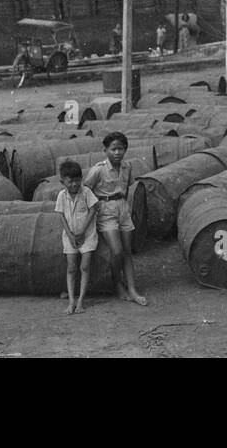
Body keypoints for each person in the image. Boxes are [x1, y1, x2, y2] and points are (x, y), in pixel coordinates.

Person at [83, 132, 148, 306]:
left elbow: (127, 188)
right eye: (113, 149)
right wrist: (92, 212)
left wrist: (124, 206)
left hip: (123, 209)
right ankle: (117, 283)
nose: (117, 153)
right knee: (117, 251)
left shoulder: (127, 167)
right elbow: (85, 190)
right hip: (105, 211)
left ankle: (133, 290)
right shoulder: (98, 170)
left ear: (125, 150)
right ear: (105, 150)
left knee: (127, 251)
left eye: (121, 149)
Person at [55, 159, 98, 315]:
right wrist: (71, 235)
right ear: (63, 182)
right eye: (70, 181)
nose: (74, 184)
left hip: (87, 235)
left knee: (85, 266)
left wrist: (82, 231)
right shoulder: (61, 196)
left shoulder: (86, 192)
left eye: (77, 180)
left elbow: (93, 209)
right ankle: (71, 300)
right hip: (70, 237)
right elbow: (61, 216)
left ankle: (81, 301)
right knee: (71, 267)